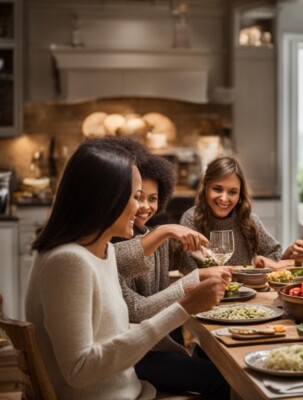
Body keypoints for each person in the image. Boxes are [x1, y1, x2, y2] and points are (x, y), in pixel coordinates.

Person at [24, 140, 227, 399]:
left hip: (135, 390)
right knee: (229, 380)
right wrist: (183, 307)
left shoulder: (102, 250)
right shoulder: (67, 262)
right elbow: (80, 370)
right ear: (106, 198)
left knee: (217, 367)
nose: (140, 207)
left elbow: (115, 333)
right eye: (135, 196)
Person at [114, 153, 231, 399]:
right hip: (138, 356)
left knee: (215, 355)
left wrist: (202, 260)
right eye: (138, 197)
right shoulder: (112, 247)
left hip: (158, 345)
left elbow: (181, 272)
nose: (145, 206)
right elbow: (137, 311)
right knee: (225, 377)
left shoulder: (151, 236)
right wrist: (195, 278)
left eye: (153, 198)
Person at [179, 156, 303, 270]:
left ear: (240, 195)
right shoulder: (191, 220)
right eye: (217, 189)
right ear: (205, 188)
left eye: (232, 192)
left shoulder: (248, 220)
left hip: (247, 294)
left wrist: (289, 253)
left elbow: (274, 255)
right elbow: (188, 270)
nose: (224, 198)